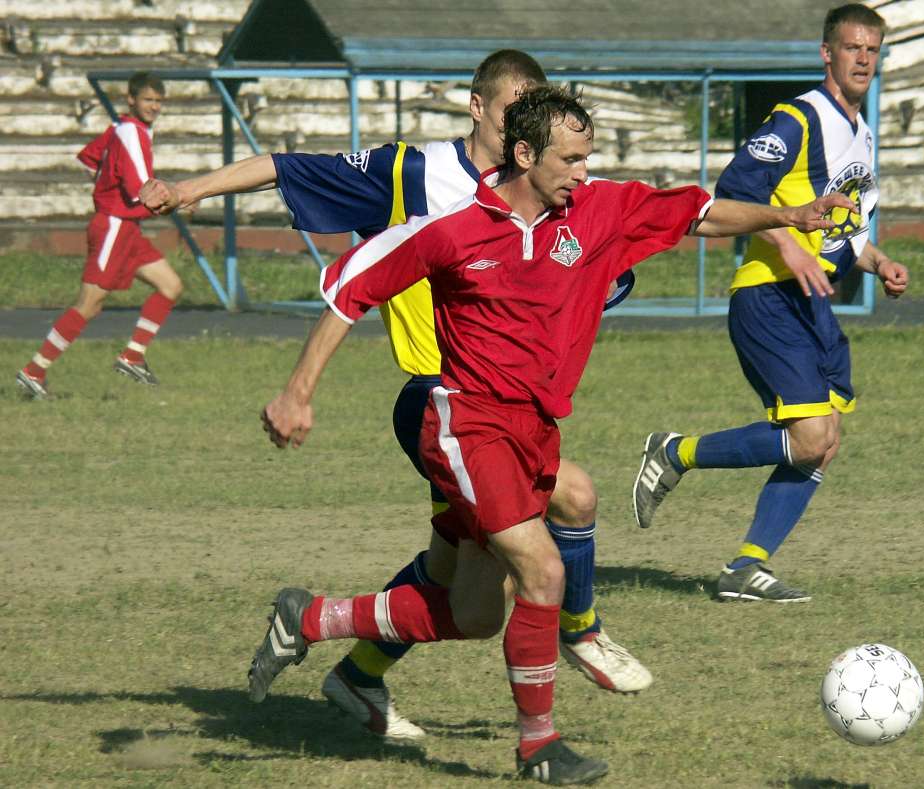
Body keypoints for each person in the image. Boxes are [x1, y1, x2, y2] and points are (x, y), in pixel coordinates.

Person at [249, 85, 853, 784]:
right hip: (466, 423)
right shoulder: (452, 227)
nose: (581, 173)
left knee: (473, 611)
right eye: (569, 159)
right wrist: (297, 393)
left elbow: (701, 212)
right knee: (543, 571)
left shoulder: (597, 211)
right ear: (525, 153)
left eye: (587, 158)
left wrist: (792, 211)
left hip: (534, 431)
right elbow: (346, 288)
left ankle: (310, 617)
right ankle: (539, 744)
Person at [141, 51, 650, 742]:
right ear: (478, 108)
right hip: (441, 402)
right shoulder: (414, 173)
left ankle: (347, 660)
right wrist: (191, 186)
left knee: (464, 592)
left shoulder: (552, 198)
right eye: (511, 111)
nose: (524, 124)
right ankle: (578, 637)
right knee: (562, 514)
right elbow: (290, 165)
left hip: (499, 409)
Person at [632, 4, 909, 602]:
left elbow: (844, 232)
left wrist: (877, 260)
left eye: (872, 49)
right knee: (809, 435)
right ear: (826, 54)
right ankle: (675, 451)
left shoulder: (859, 132)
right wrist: (789, 244)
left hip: (809, 304)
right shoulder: (799, 118)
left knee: (826, 440)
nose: (863, 58)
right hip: (767, 293)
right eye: (852, 47)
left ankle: (745, 568)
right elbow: (734, 192)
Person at [15, 72, 182, 399]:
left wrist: (106, 184)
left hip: (127, 228)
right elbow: (140, 190)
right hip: (115, 227)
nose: (154, 107)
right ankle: (34, 371)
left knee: (171, 286)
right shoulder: (132, 132)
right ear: (131, 99)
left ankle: (132, 355)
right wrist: (176, 200)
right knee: (89, 304)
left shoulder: (120, 130)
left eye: (159, 101)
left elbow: (90, 159)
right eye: (148, 100)